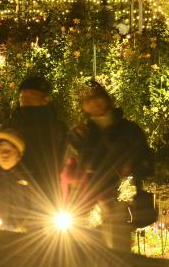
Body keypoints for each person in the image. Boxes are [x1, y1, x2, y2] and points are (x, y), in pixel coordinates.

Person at [64, 80, 153, 252]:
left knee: (118, 249)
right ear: (84, 106)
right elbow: (69, 165)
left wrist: (132, 167)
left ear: (108, 99)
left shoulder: (129, 130)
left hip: (120, 197)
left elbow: (146, 161)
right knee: (84, 249)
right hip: (86, 199)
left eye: (99, 98)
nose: (95, 103)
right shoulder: (80, 133)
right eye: (89, 100)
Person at [2, 75, 70, 218]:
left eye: (31, 96)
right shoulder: (11, 126)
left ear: (45, 99)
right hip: (14, 189)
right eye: (22, 97)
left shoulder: (57, 128)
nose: (25, 100)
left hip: (46, 192)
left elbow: (61, 160)